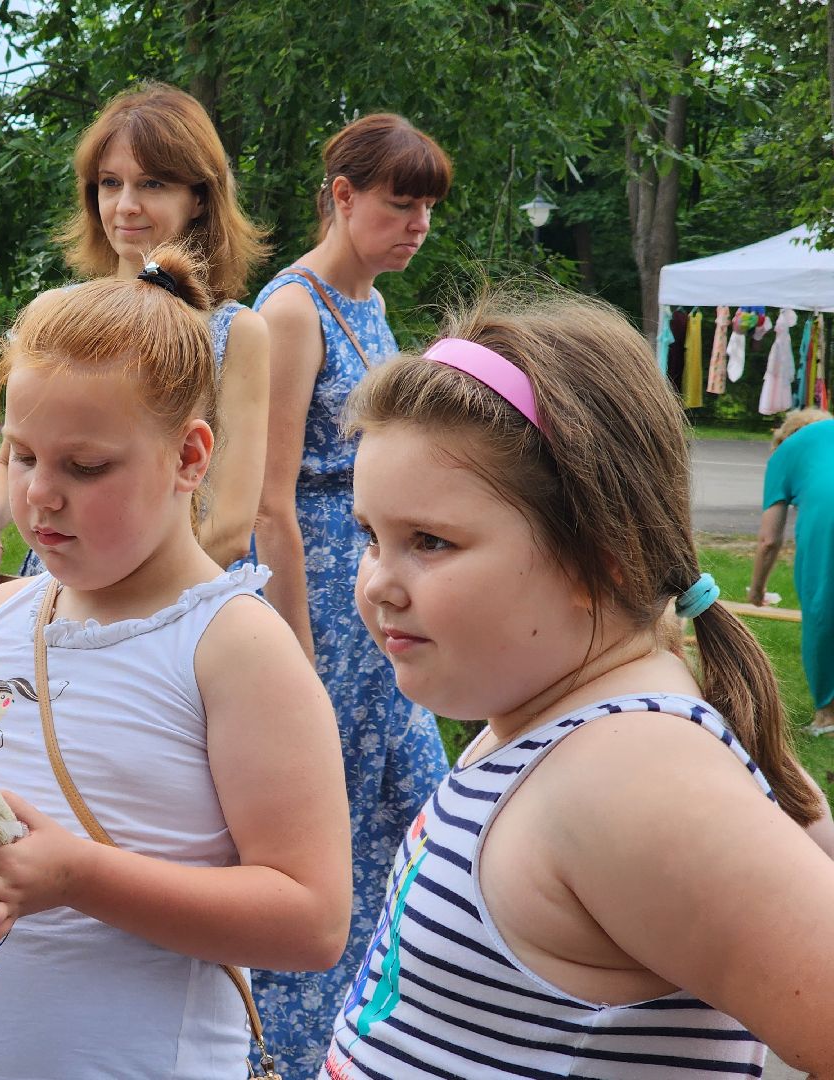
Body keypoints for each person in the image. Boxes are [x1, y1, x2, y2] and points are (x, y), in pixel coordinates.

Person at [0, 246, 351, 1078]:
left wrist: (78, 878)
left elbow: (311, 924)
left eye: (85, 466)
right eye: (22, 455)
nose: (41, 494)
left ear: (190, 458)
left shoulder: (235, 645)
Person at [321, 287, 834, 1077]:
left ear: (600, 558)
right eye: (370, 536)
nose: (378, 582)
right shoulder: (544, 724)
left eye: (430, 541)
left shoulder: (633, 775)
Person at [248, 112, 453, 1072]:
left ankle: (377, 1038)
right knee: (323, 836)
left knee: (411, 809)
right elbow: (266, 497)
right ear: (342, 196)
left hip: (376, 591)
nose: (417, 223)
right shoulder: (292, 309)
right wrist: (295, 642)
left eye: (426, 208)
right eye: (399, 202)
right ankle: (282, 1054)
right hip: (319, 604)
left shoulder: (369, 301)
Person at [0, 82, 269, 594]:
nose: (125, 205)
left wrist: (109, 601)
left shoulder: (237, 332)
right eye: (109, 182)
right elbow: (14, 458)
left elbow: (230, 526)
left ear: (198, 199)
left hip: (165, 605)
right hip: (55, 590)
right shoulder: (55, 313)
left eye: (152, 184)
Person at [749, 406, 834, 735]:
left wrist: (757, 590)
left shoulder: (785, 452)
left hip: (828, 519)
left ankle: (827, 716)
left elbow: (769, 539)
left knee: (821, 608)